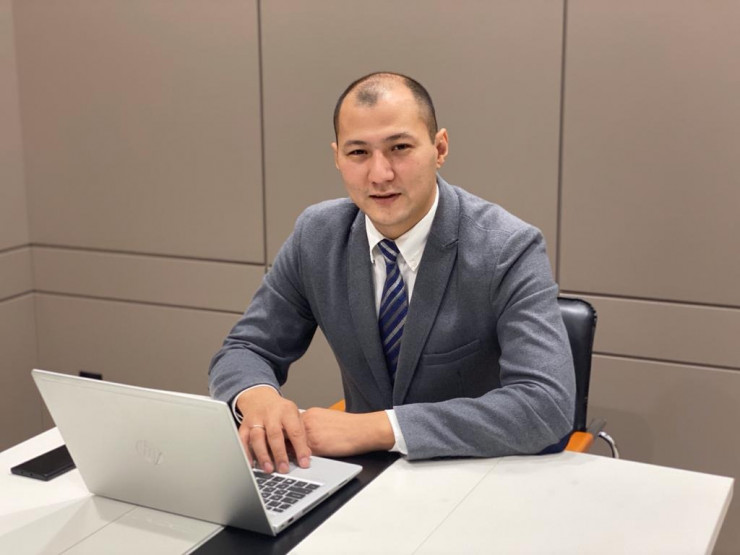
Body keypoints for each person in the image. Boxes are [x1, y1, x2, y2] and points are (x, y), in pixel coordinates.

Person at [209, 72, 575, 474]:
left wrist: (378, 428)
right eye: (358, 153)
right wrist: (258, 397)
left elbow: (547, 404)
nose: (380, 174)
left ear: (439, 148)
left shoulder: (508, 247)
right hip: (365, 480)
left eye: (399, 148)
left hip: (475, 476)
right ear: (337, 157)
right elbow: (246, 348)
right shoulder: (317, 235)